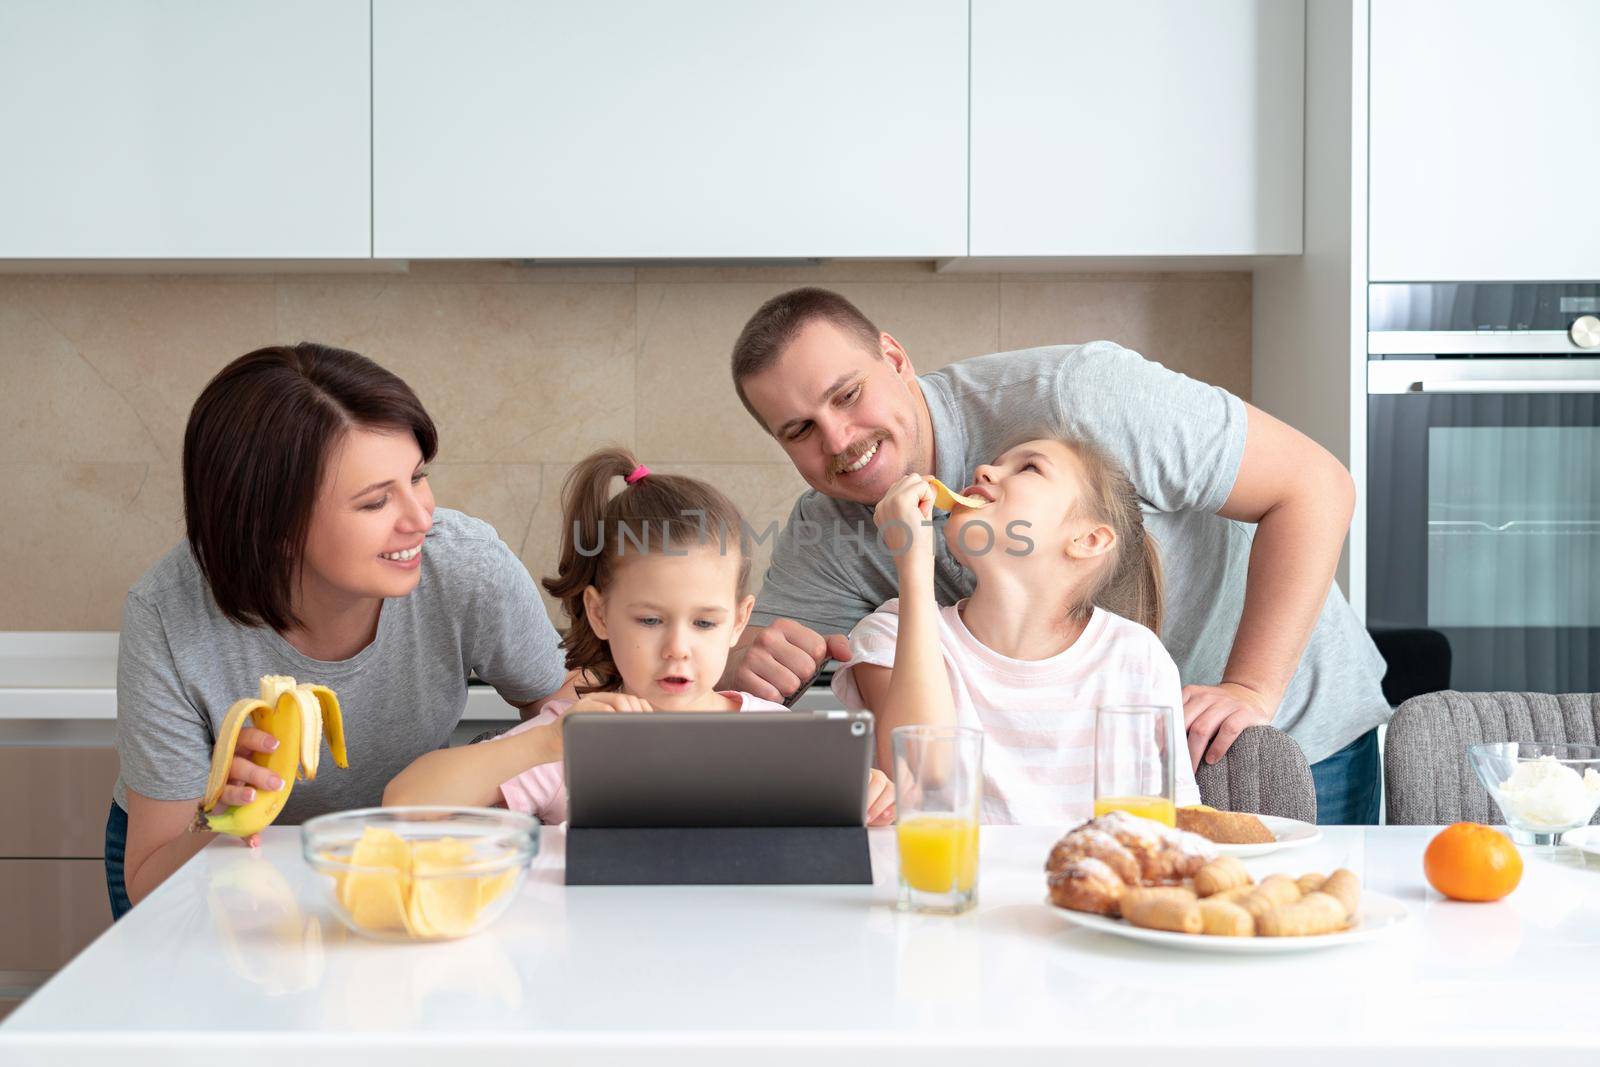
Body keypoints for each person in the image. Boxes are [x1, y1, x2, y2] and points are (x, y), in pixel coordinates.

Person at [724, 288, 1389, 823]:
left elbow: (1316, 486)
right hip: (1090, 782)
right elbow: (729, 668)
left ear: (895, 359)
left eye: (847, 394)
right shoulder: (836, 528)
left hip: (1288, 729)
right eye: (800, 430)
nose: (838, 437)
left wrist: (1251, 687)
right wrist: (740, 659)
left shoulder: (1078, 396)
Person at [110, 343, 568, 916]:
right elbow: (150, 878)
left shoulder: (465, 566)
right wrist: (224, 819)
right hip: (212, 864)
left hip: (389, 858)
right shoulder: (168, 615)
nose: (421, 517)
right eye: (376, 502)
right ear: (273, 525)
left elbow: (560, 719)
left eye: (418, 478)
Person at [384, 448, 896, 825]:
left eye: (704, 623)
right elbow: (404, 805)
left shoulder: (778, 738)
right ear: (600, 614)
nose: (677, 647)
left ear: (740, 622)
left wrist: (869, 797)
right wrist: (543, 743)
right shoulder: (572, 739)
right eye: (650, 621)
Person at [832, 436, 1201, 823]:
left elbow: (1173, 827)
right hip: (953, 884)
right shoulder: (891, 635)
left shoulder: (1135, 658)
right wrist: (913, 563)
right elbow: (925, 787)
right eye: (995, 462)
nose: (983, 471)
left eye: (1029, 467)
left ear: (1088, 539)